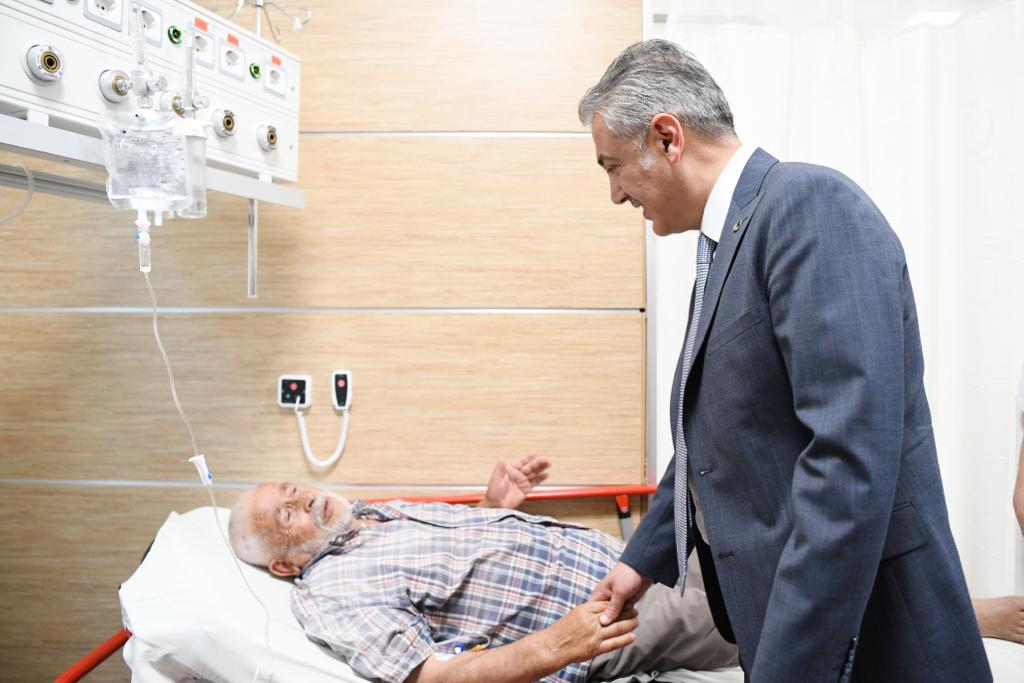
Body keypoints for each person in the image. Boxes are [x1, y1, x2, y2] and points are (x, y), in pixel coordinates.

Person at [578, 40, 991, 682]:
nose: (614, 194)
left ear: (666, 138)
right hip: (783, 622)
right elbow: (712, 442)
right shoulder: (730, 242)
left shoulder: (810, 208)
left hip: (867, 633)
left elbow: (848, 462)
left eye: (613, 167)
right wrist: (644, 558)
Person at [228, 454, 739, 683]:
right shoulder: (332, 592)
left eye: (292, 489)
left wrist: (492, 505)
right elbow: (430, 677)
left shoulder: (364, 518)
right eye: (286, 514)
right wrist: (555, 646)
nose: (304, 499)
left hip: (625, 559)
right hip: (615, 616)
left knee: (753, 555)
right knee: (759, 610)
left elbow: (441, 576)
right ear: (284, 564)